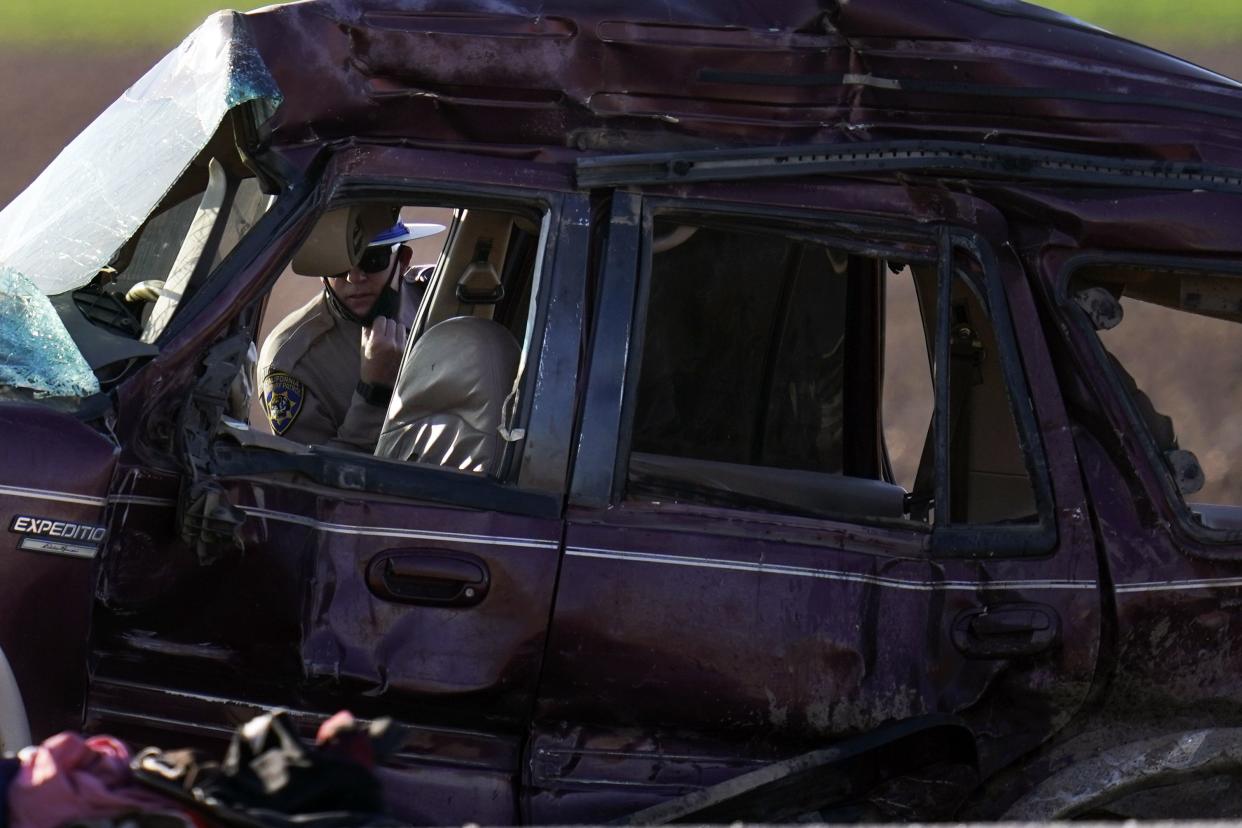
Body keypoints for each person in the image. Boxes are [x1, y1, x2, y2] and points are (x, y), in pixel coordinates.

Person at [257, 220, 444, 451]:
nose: (354, 279)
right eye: (338, 265)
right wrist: (374, 394)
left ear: (403, 260)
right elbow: (310, 478)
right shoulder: (289, 361)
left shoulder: (440, 302)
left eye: (372, 260)